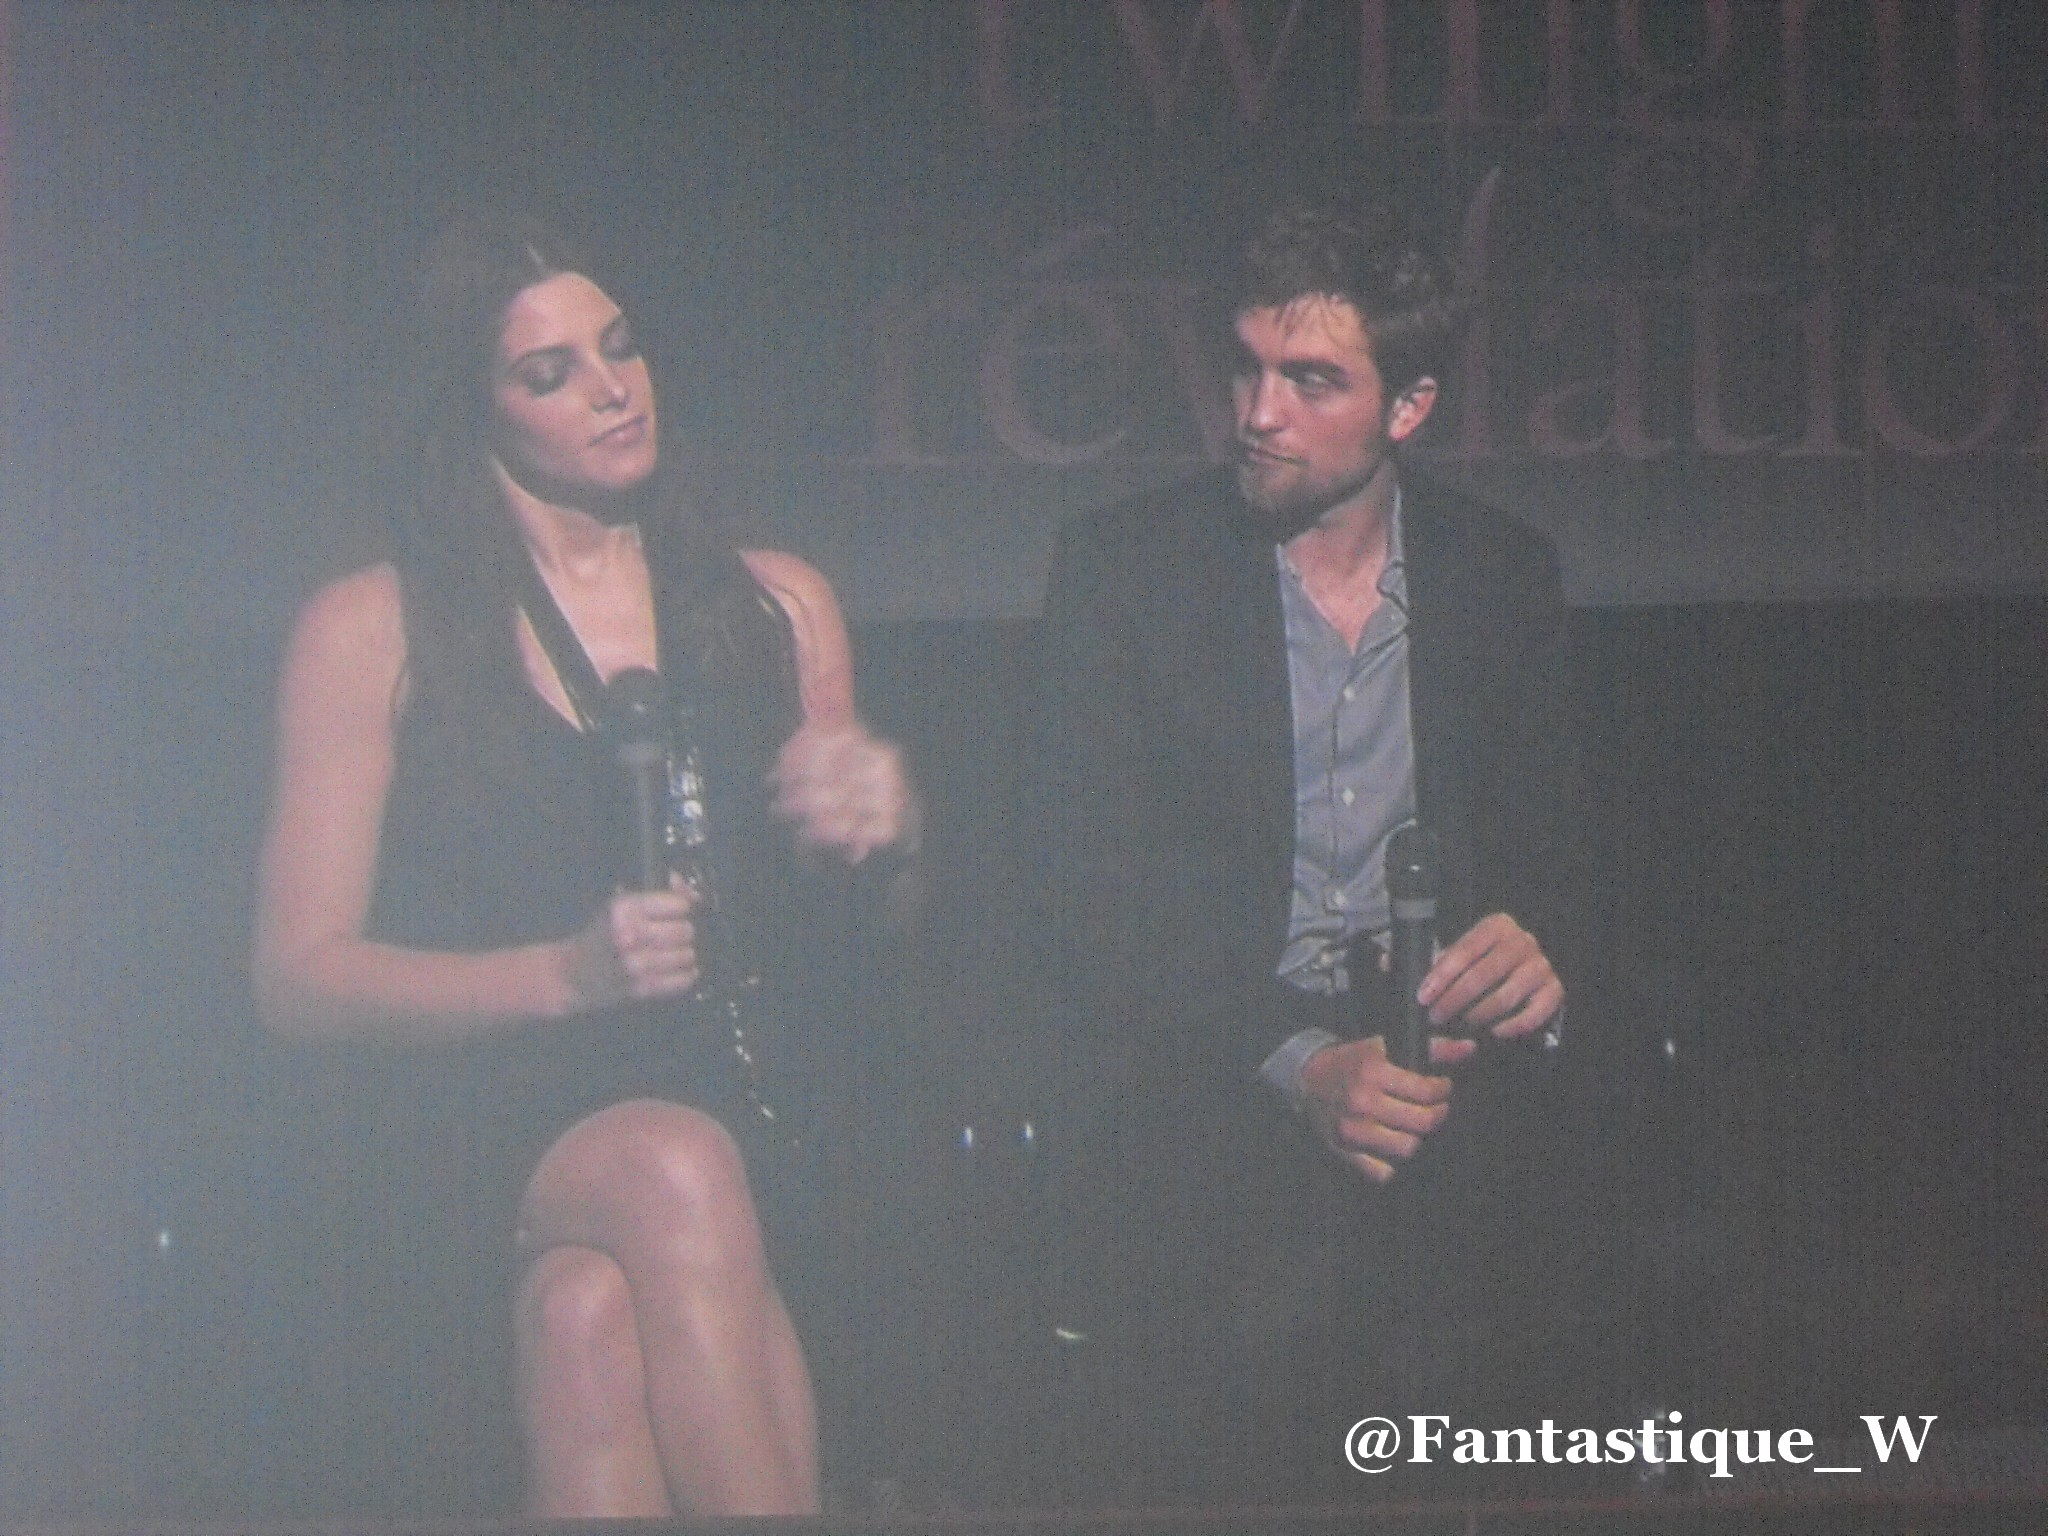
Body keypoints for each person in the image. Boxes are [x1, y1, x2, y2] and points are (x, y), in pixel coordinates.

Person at [251, 212, 915, 1518]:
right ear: (471, 411)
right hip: (475, 1112)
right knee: (672, 1170)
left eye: (621, 347)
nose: (613, 389)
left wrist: (884, 830)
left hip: (736, 1089)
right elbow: (296, 979)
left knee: (585, 1323)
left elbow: (877, 922)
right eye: (548, 373)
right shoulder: (373, 628)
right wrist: (563, 974)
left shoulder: (775, 603)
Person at [1034, 197, 1593, 1496]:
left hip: (1446, 1063)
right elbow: (1084, 900)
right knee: (1270, 1313)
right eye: (1247, 369)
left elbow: (1564, 858)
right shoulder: (1125, 572)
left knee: (1548, 1301)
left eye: (1312, 381)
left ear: (1410, 407)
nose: (1259, 412)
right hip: (1215, 1065)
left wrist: (1539, 954)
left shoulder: (1500, 572)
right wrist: (1299, 1065)